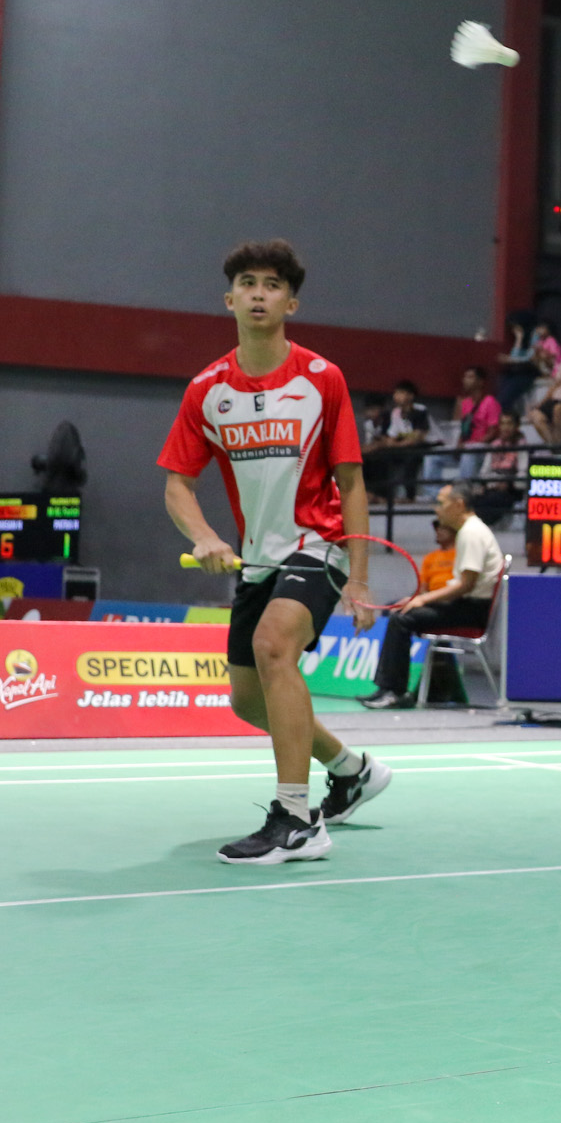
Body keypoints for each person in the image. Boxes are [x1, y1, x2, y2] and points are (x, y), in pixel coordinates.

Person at [159, 239, 388, 864]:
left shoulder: (321, 379)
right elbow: (178, 484)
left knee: (273, 647)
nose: (259, 294)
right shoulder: (208, 390)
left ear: (291, 303)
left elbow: (352, 482)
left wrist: (360, 577)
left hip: (318, 542)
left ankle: (297, 819)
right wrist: (204, 536)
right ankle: (351, 771)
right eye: (248, 283)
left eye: (272, 285)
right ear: (229, 299)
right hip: (258, 558)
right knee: (248, 700)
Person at [359, 482, 505, 710]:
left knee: (401, 619)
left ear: (459, 505)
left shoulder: (472, 533)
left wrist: (422, 599)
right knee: (402, 613)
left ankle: (394, 691)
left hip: (472, 610)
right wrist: (418, 598)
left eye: (441, 503)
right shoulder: (469, 531)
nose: (437, 509)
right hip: (465, 605)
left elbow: (465, 585)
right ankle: (387, 689)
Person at [361, 379, 431, 504]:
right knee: (378, 457)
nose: (396, 396)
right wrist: (384, 444)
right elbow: (391, 436)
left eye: (401, 393)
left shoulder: (420, 410)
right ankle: (376, 494)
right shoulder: (396, 413)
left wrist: (393, 444)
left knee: (411, 457)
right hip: (404, 446)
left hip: (426, 445)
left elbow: (417, 437)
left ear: (410, 396)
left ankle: (410, 496)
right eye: (395, 393)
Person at [448, 365, 500, 481]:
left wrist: (473, 443)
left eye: (470, 377)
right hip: (466, 446)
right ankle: (432, 491)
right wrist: (459, 444)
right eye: (465, 377)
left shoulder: (490, 401)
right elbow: (464, 429)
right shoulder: (465, 403)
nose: (465, 380)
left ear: (480, 382)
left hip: (482, 448)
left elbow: (493, 432)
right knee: (434, 457)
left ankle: (464, 487)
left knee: (468, 452)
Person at [496, 312, 551, 410]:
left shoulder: (535, 335)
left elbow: (530, 357)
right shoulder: (523, 337)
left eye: (517, 328)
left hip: (531, 370)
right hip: (519, 370)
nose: (514, 331)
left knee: (508, 394)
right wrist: (519, 338)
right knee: (503, 379)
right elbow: (515, 356)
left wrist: (512, 360)